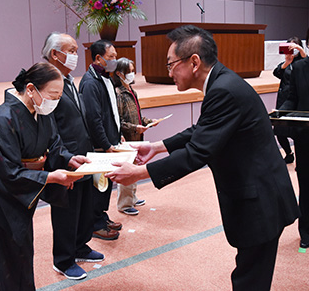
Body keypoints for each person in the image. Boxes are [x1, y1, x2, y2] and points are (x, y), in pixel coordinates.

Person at [106, 25, 300, 290]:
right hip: (261, 193)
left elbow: (198, 152)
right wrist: (158, 146)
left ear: (194, 61)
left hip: (260, 201)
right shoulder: (223, 83)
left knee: (250, 280)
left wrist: (138, 173)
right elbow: (203, 130)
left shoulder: (224, 90)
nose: (169, 72)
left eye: (171, 64)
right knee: (250, 274)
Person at [0, 62, 87, 291]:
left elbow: (54, 144)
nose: (56, 100)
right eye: (53, 94)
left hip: (20, 195)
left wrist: (68, 159)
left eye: (60, 95)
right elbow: (8, 172)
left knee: (21, 254)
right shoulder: (2, 118)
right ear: (31, 89)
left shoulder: (40, 111)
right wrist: (51, 178)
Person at [41, 32, 104, 280]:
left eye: (77, 50)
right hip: (64, 158)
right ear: (55, 54)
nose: (76, 56)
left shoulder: (67, 79)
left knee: (84, 207)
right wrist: (64, 155)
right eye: (71, 50)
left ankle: (80, 247)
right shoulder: (47, 81)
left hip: (83, 154)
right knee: (66, 212)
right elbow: (49, 127)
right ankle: (63, 260)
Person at [79, 40, 122, 240]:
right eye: (111, 57)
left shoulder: (106, 77)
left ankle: (101, 216)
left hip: (110, 142)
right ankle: (94, 224)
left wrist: (117, 133)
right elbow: (93, 119)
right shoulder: (90, 82)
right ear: (98, 58)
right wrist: (105, 144)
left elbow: (111, 111)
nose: (114, 60)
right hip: (99, 147)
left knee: (106, 185)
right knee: (98, 187)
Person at [280, 28, 309, 249]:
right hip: (305, 138)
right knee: (306, 185)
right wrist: (279, 114)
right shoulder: (299, 68)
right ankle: (306, 233)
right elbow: (292, 99)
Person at [113, 57, 153, 215]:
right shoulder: (119, 94)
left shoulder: (131, 91)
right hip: (126, 139)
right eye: (128, 71)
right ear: (119, 74)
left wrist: (149, 122)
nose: (132, 74)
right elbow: (119, 121)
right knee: (127, 172)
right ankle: (124, 204)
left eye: (132, 71)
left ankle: (132, 197)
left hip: (137, 138)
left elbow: (137, 114)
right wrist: (135, 128)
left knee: (134, 169)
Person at [273, 36, 306, 163]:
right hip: (284, 100)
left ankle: (301, 157)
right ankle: (289, 153)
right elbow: (277, 73)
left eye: (294, 47)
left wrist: (301, 52)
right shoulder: (287, 62)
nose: (291, 50)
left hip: (297, 101)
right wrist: (287, 61)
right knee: (279, 130)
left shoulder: (303, 63)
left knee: (297, 131)